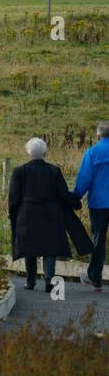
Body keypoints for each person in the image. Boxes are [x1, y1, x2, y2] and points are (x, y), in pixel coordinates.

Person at [9, 137, 83, 292]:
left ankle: (30, 281)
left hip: (27, 213)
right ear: (45, 152)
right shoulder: (54, 171)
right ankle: (49, 280)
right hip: (50, 213)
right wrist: (76, 202)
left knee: (30, 248)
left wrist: (13, 215)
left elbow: (13, 197)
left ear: (29, 153)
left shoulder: (19, 171)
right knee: (50, 248)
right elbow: (63, 194)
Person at [73, 121, 109, 291]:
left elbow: (84, 178)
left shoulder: (93, 152)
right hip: (100, 202)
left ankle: (95, 278)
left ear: (98, 135)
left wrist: (76, 197)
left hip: (100, 204)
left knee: (98, 240)